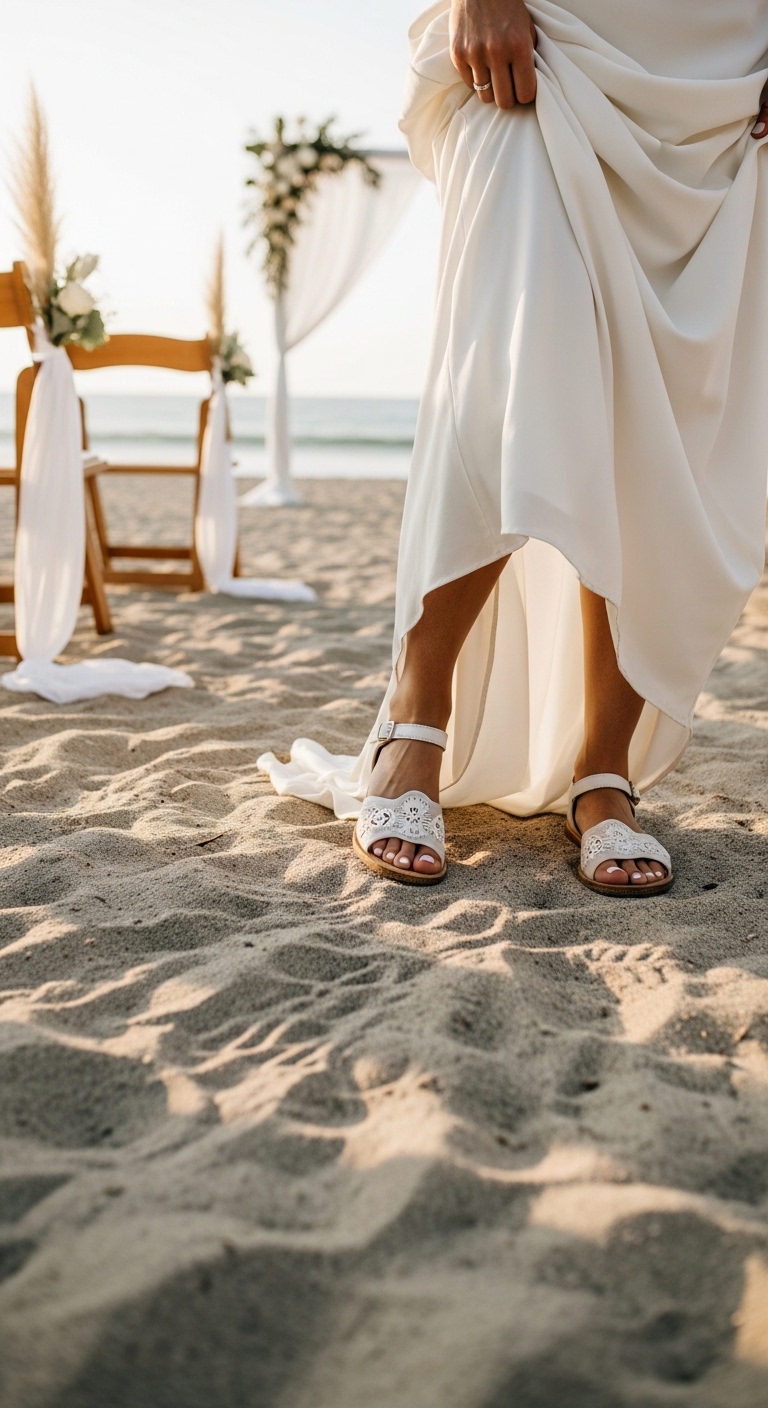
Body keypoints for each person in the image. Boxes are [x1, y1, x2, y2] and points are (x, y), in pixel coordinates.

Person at [260, 0, 768, 895]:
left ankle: (602, 773)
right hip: (550, 37)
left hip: (716, 78)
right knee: (506, 366)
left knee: (666, 425)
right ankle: (414, 726)